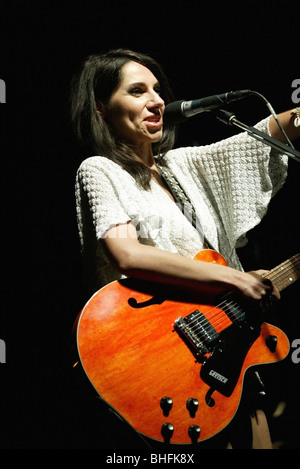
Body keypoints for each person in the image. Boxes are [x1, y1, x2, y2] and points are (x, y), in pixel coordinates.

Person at [69, 48, 300, 449]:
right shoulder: (99, 170)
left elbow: (265, 136)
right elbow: (129, 255)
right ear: (101, 108)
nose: (156, 100)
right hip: (160, 357)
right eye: (137, 91)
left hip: (228, 347)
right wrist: (235, 278)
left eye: (157, 90)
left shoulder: (184, 166)